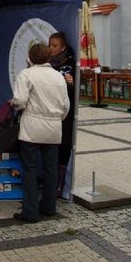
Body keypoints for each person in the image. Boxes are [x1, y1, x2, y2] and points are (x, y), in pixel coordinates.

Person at [10, 41, 70, 224]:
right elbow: (65, 105)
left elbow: (20, 100)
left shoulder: (26, 74)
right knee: (51, 170)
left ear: (30, 58)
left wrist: (16, 104)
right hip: (53, 129)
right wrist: (56, 119)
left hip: (31, 129)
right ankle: (49, 208)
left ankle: (30, 212)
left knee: (30, 170)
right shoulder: (58, 76)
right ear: (48, 57)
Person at [48, 30, 77, 196]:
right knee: (51, 147)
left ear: (63, 47)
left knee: (63, 147)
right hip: (49, 112)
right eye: (49, 45)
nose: (51, 48)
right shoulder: (46, 62)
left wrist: (71, 83)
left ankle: (60, 185)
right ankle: (50, 182)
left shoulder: (70, 64)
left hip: (64, 114)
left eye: (54, 45)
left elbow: (73, 93)